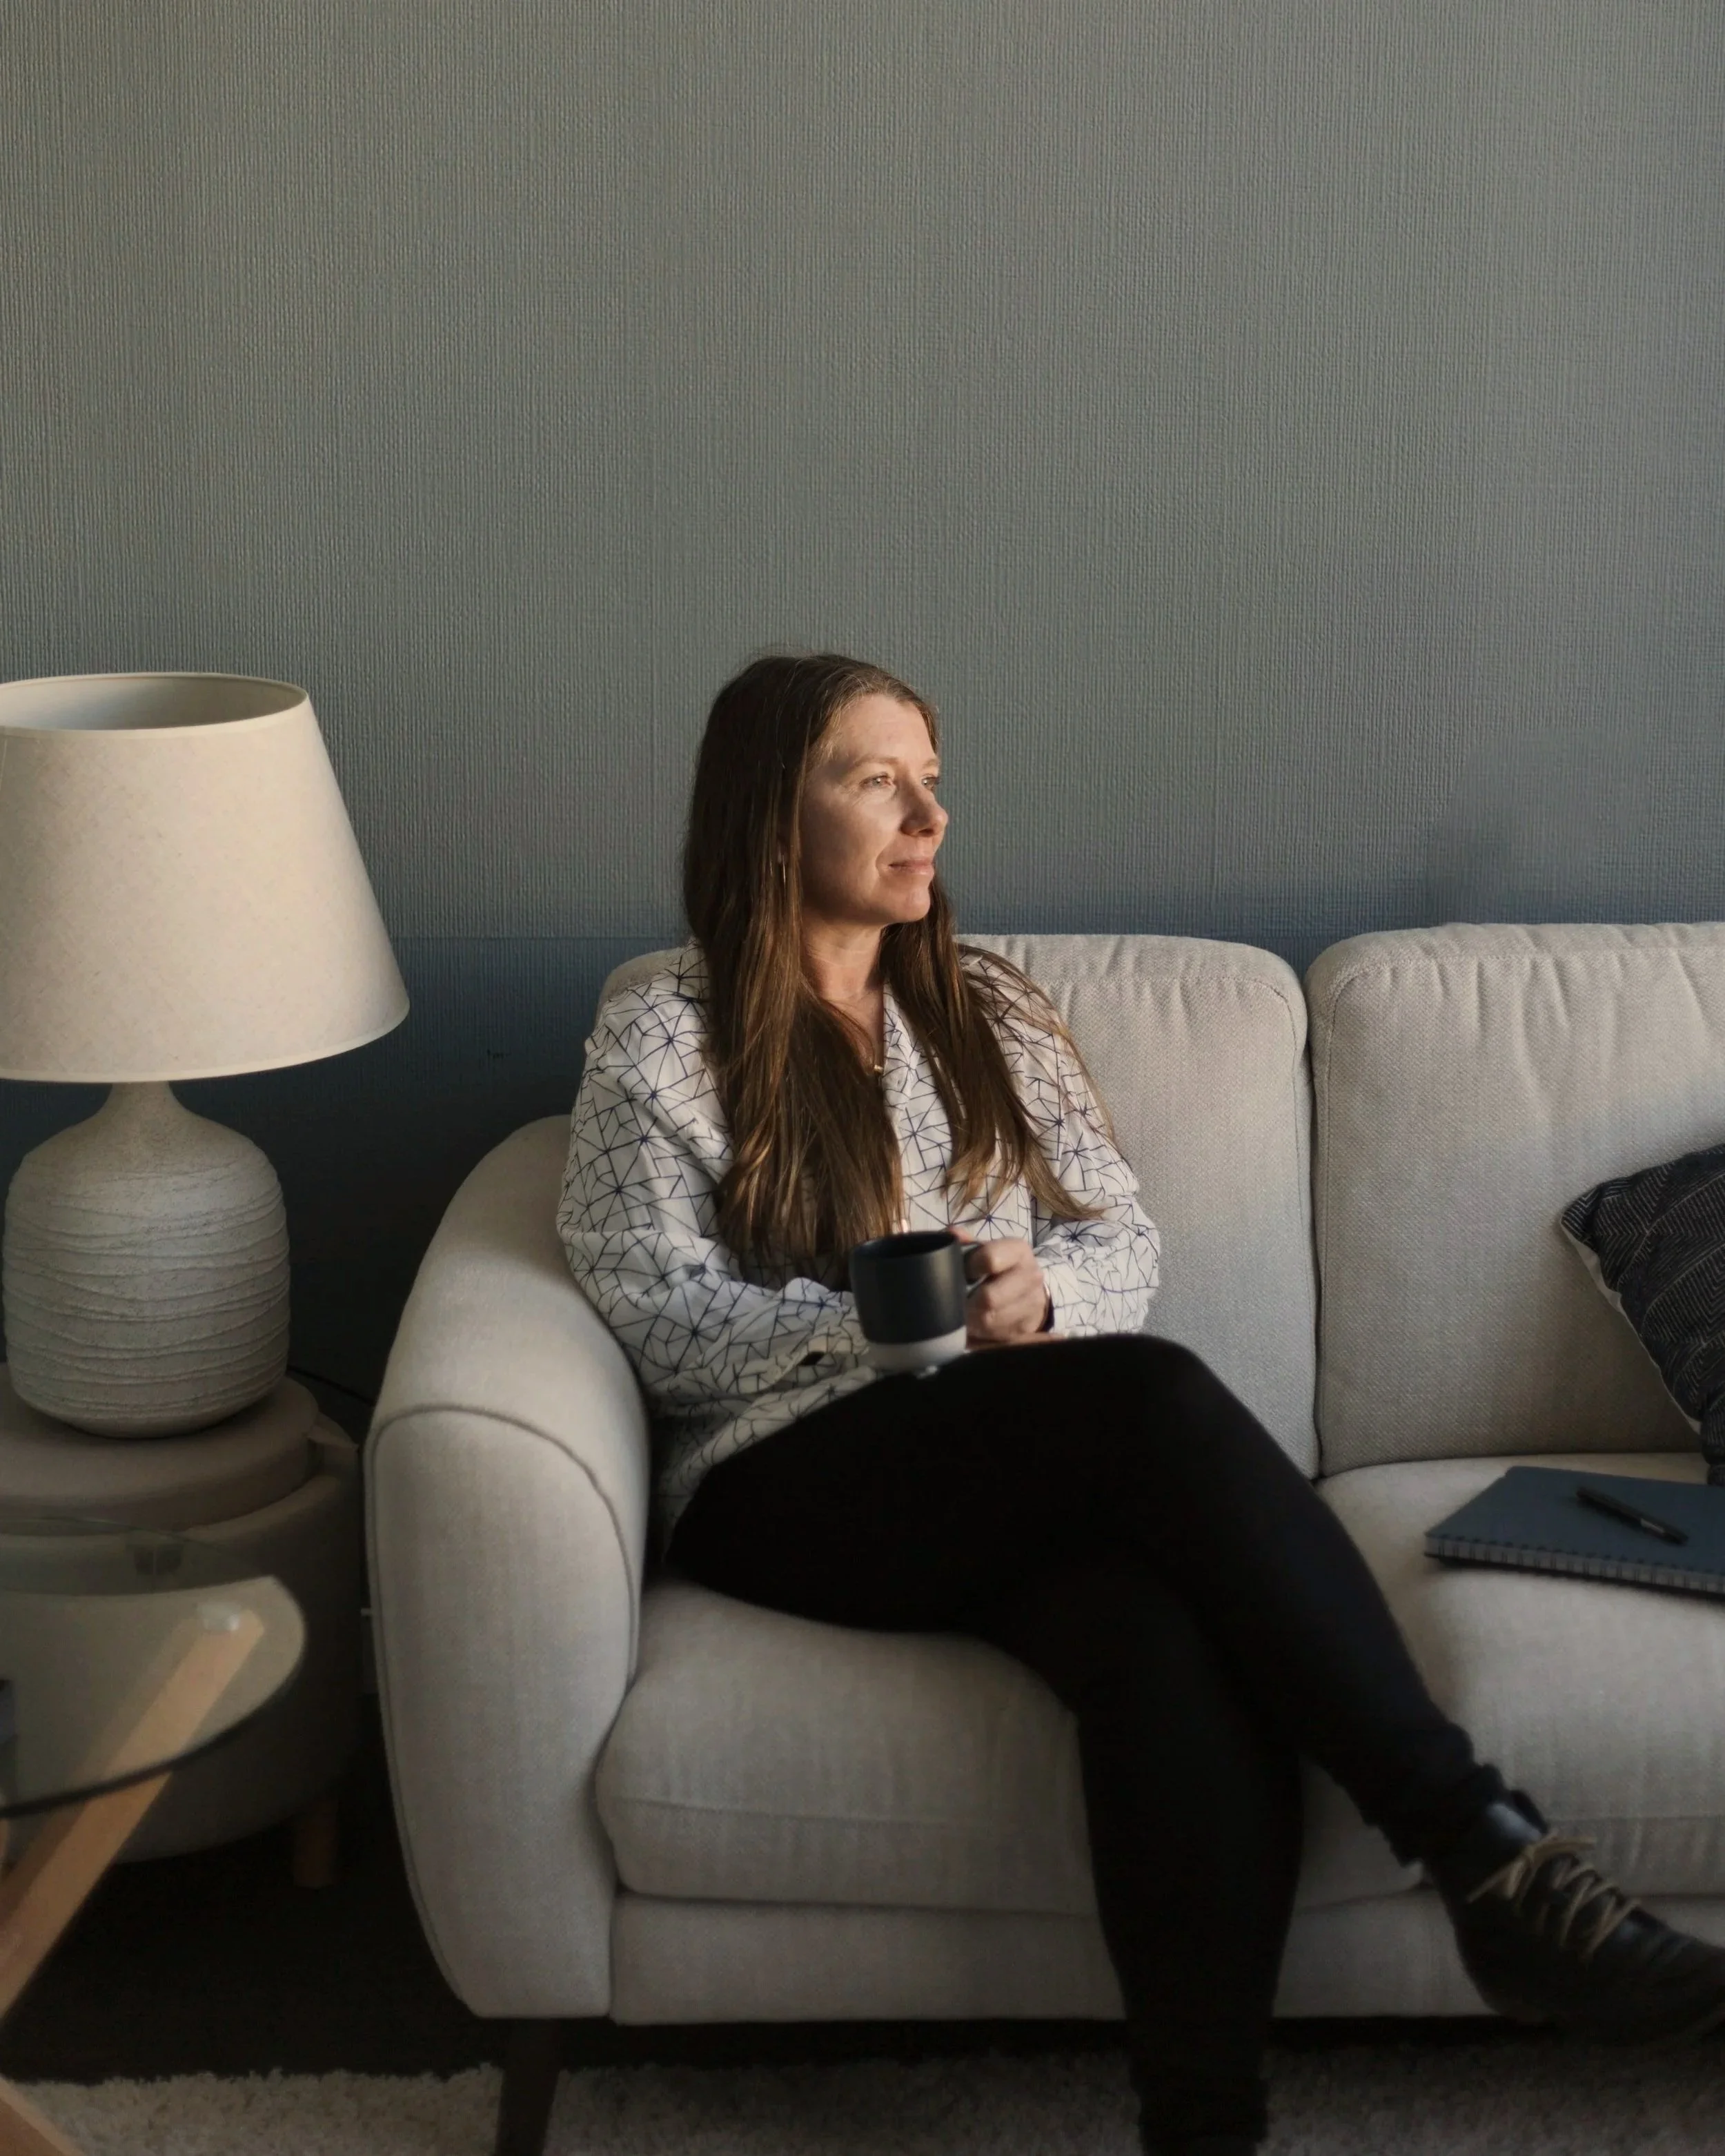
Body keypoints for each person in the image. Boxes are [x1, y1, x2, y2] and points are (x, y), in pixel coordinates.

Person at [557, 651, 1725, 2156]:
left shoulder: (984, 1005)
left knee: (1154, 1637)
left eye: (931, 775)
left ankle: (1202, 2124)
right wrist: (865, 1317)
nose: (930, 814)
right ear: (769, 818)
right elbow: (648, 1309)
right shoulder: (665, 1032)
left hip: (999, 1444)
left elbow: (1120, 1231)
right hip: (778, 1476)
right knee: (1156, 1401)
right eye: (876, 780)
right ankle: (1481, 1853)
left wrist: (1036, 1298)